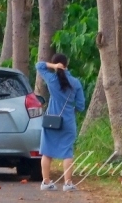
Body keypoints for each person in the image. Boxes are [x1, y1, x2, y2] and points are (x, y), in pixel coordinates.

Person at [36, 54, 86, 192]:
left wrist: (53, 67)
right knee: (67, 152)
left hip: (51, 120)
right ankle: (68, 183)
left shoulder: (51, 79)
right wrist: (72, 111)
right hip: (68, 121)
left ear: (55, 64)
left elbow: (38, 65)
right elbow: (81, 106)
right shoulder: (75, 82)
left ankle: (46, 182)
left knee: (47, 152)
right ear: (66, 64)